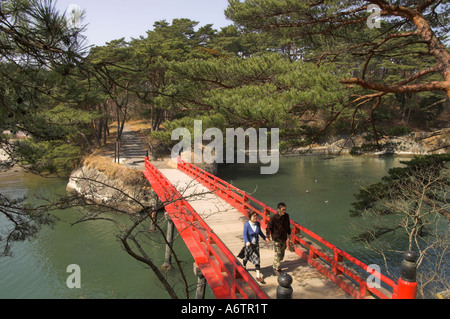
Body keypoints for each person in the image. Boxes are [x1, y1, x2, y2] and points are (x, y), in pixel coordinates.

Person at [242, 211, 270, 283]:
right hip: (249, 244)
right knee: (246, 257)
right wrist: (247, 241)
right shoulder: (247, 225)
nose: (255, 218)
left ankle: (258, 275)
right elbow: (244, 234)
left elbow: (260, 232)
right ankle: (244, 265)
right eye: (254, 216)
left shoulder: (258, 224)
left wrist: (265, 238)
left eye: (256, 216)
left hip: (256, 244)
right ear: (250, 217)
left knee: (257, 259)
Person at [266, 202, 291, 276]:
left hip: (283, 238)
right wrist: (267, 236)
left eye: (285, 209)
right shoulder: (274, 218)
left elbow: (288, 226)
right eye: (283, 209)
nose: (284, 211)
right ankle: (275, 267)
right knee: (278, 253)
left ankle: (278, 265)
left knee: (282, 254)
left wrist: (289, 235)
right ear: (278, 210)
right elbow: (268, 227)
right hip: (276, 238)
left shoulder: (286, 216)